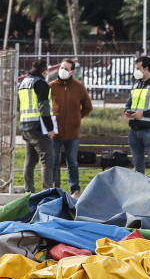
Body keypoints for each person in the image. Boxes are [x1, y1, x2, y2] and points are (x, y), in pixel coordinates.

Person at [50, 58, 93, 198]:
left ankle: (75, 190)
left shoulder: (79, 87)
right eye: (61, 67)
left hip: (73, 133)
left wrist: (77, 118)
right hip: (54, 133)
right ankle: (53, 189)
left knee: (72, 162)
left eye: (66, 69)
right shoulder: (51, 86)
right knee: (53, 161)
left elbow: (88, 107)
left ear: (72, 72)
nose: (62, 70)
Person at [17, 58, 56, 193]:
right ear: (44, 72)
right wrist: (50, 128)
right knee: (47, 159)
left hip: (25, 126)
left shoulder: (22, 83)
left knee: (30, 160)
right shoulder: (41, 83)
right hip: (39, 128)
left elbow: (19, 105)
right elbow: (44, 107)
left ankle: (29, 192)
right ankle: (47, 192)